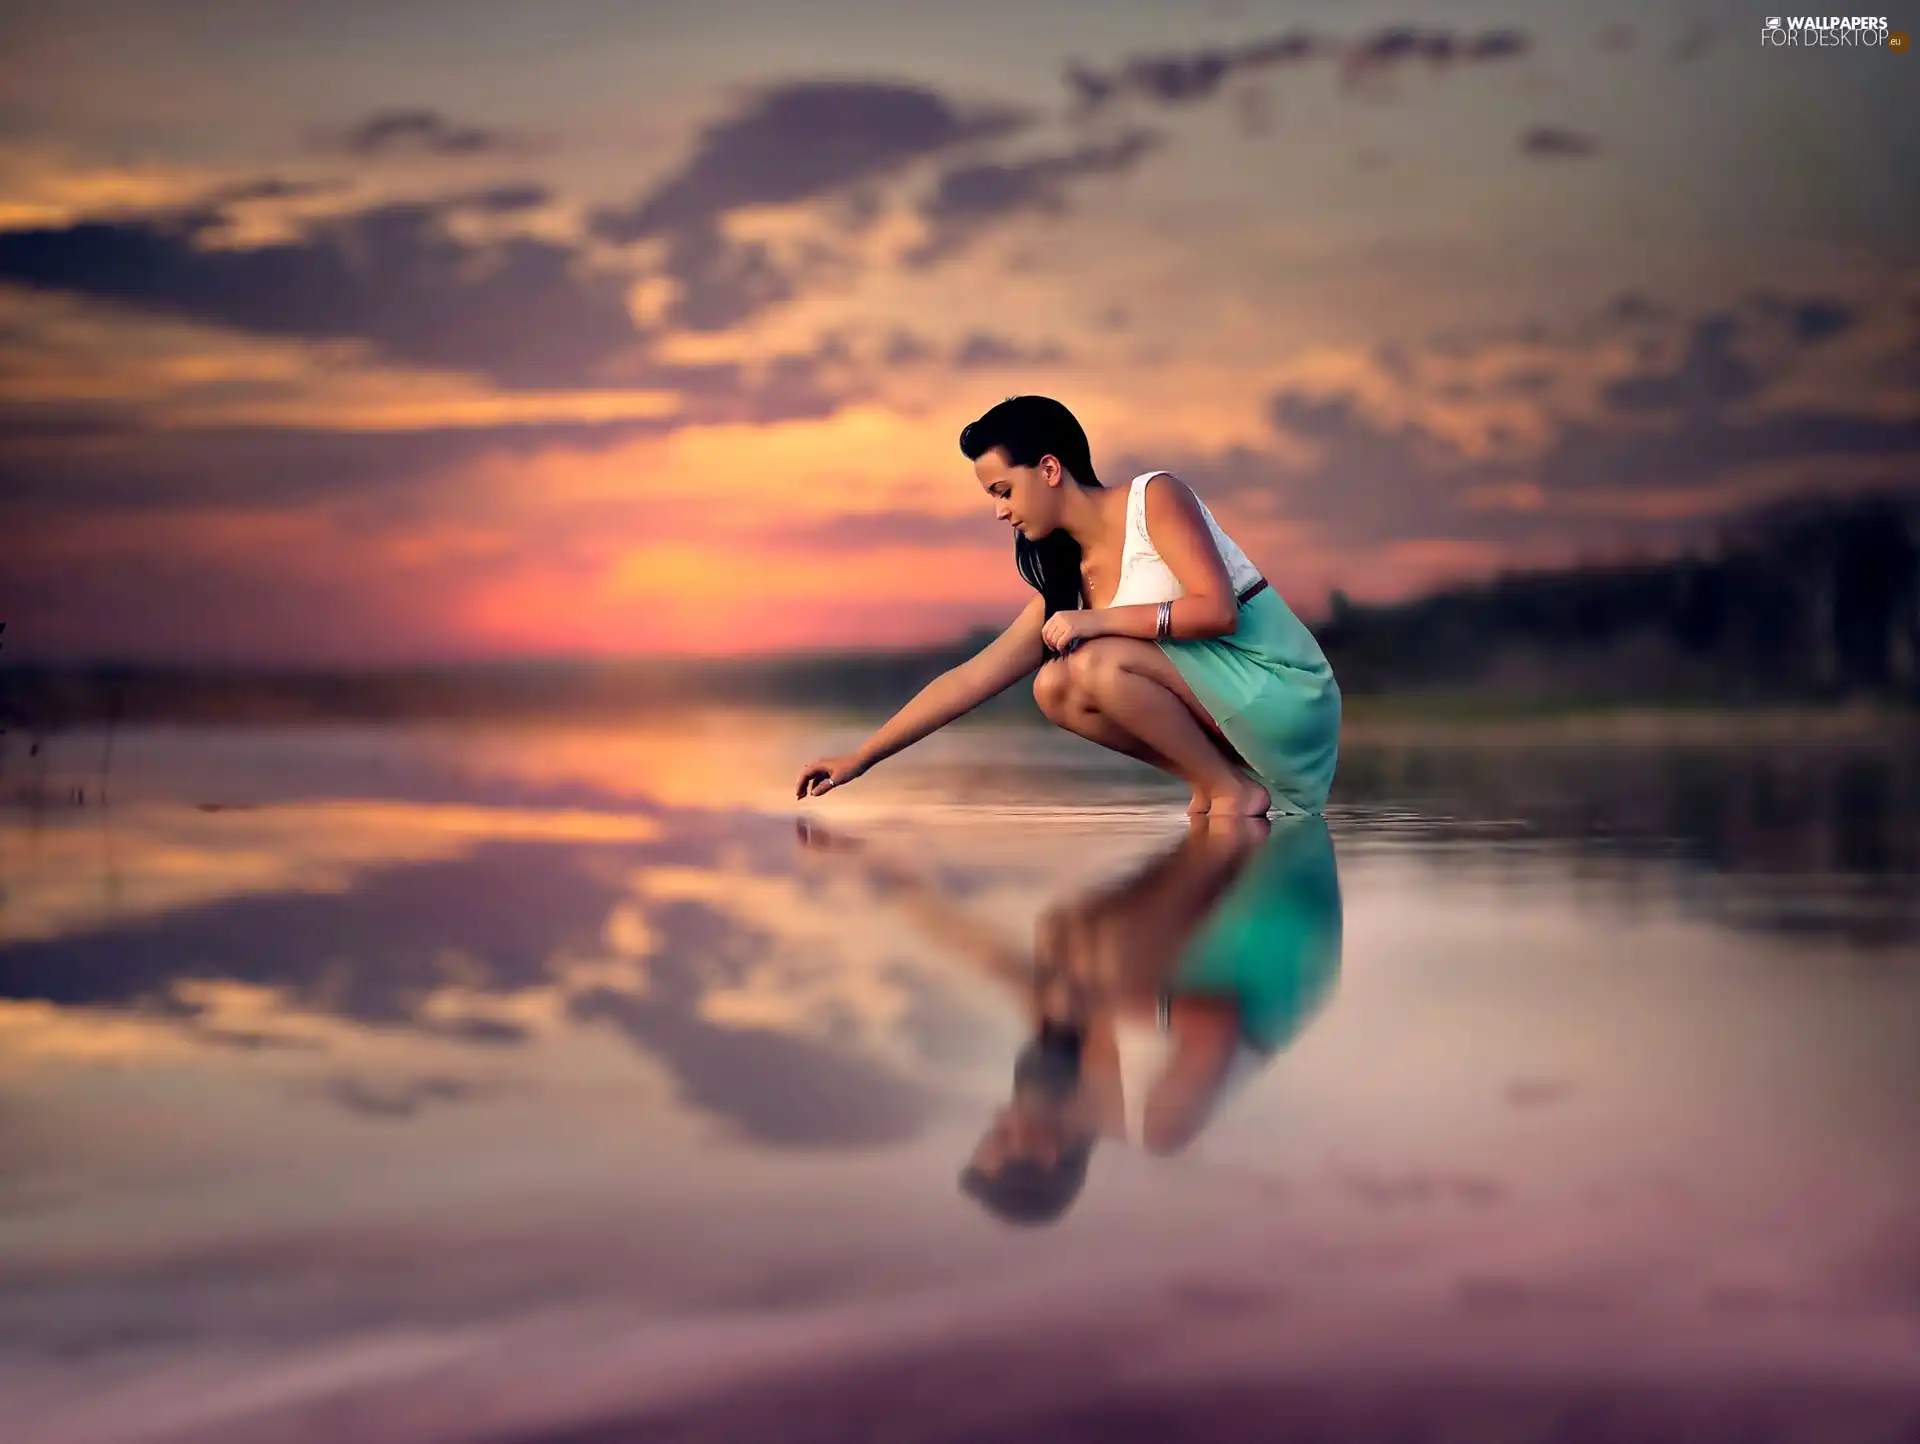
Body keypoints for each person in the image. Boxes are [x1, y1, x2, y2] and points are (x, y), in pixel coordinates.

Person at [794, 394, 1342, 818]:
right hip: (1237, 713)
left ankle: (1229, 793)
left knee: (1094, 661)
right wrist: (860, 758)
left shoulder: (1153, 499)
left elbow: (1218, 611)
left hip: (1287, 694)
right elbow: (968, 679)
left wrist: (1097, 621)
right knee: (1053, 688)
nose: (1000, 512)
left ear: (1050, 470)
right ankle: (1218, 783)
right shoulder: (1071, 580)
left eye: (1004, 491)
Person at [795, 812, 1344, 1227]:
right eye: (1001, 1133)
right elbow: (1215, 1024)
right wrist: (1110, 1000)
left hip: (1219, 943)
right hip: (1279, 949)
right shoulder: (1152, 1124)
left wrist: (876, 873)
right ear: (1047, 1153)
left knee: (1058, 942)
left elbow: (989, 959)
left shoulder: (1065, 1067)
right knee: (1092, 964)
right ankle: (1224, 840)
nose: (999, 1112)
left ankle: (1221, 829)